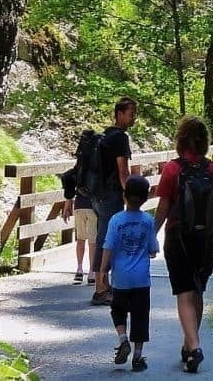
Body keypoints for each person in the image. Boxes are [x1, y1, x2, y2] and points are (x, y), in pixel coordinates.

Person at [154, 116, 213, 373]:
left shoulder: (172, 169)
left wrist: (152, 234)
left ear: (181, 140)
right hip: (207, 239)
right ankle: (188, 347)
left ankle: (194, 347)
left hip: (179, 239)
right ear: (205, 141)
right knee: (197, 292)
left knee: (184, 292)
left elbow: (163, 207)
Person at [97, 175, 159, 372]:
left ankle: (123, 339)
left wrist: (102, 270)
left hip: (121, 278)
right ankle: (138, 358)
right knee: (141, 317)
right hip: (141, 279)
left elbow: (108, 246)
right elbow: (153, 249)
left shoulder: (116, 220)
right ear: (146, 198)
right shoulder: (148, 220)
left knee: (118, 309)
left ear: (124, 196)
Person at [92, 96, 137, 305]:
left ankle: (103, 284)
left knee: (104, 237)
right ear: (119, 114)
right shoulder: (120, 138)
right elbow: (123, 171)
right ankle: (100, 288)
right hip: (110, 195)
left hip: (97, 195)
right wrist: (131, 198)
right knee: (106, 239)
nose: (133, 118)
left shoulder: (106, 135)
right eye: (131, 114)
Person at [62, 194, 97, 285]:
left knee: (80, 240)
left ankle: (79, 269)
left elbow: (70, 188)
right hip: (93, 206)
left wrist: (67, 205)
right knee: (93, 242)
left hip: (79, 206)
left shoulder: (76, 178)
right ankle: (91, 272)